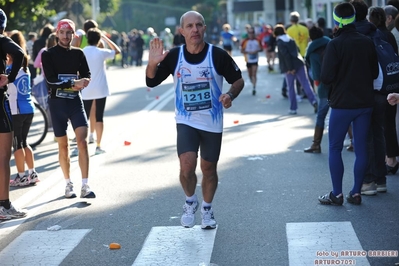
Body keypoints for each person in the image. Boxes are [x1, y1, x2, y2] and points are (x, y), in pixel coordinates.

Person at [146, 11, 244, 229]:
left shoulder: (217, 55)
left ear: (205, 28)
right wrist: (152, 63)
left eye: (199, 25)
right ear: (182, 31)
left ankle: (207, 209)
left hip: (212, 122)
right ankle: (190, 201)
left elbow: (238, 81)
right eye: (189, 26)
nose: (195, 30)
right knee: (186, 167)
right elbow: (151, 81)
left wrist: (230, 95)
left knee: (209, 169)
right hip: (186, 120)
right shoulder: (174, 56)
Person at [318, 2, 378, 205]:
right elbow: (375, 73)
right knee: (361, 148)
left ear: (337, 20)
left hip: (342, 104)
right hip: (365, 102)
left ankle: (337, 193)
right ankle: (356, 192)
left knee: (335, 147)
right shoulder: (366, 41)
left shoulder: (334, 44)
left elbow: (326, 77)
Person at [41, 19, 95, 199]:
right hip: (57, 105)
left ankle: (85, 185)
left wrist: (85, 81)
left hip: (74, 102)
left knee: (82, 141)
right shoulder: (48, 54)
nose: (65, 36)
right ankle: (68, 184)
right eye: (62, 33)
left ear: (74, 35)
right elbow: (50, 81)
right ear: (57, 34)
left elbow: (87, 74)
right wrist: (73, 83)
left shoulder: (79, 53)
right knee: (63, 146)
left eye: (69, 33)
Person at [0, 8, 27, 220]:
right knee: (2, 158)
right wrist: (9, 78)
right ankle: (4, 206)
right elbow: (19, 53)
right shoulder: (1, 39)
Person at [82, 28, 121, 155]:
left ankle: (80, 146)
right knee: (99, 117)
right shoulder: (101, 52)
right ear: (99, 40)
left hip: (86, 89)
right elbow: (117, 51)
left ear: (87, 39)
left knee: (83, 119)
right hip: (100, 89)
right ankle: (98, 145)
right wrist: (106, 38)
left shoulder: (82, 52)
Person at [7, 30, 39, 187]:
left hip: (17, 110)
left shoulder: (10, 69)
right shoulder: (25, 66)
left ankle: (21, 176)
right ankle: (31, 173)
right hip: (29, 108)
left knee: (17, 144)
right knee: (25, 142)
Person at [274, 24, 318, 115]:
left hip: (289, 67)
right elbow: (297, 50)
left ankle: (293, 108)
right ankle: (314, 102)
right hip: (299, 63)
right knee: (306, 84)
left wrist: (290, 68)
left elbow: (285, 55)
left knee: (291, 87)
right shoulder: (290, 39)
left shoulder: (280, 42)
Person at [303, 26, 331, 153]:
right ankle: (353, 141)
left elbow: (316, 76)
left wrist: (317, 86)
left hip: (325, 87)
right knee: (341, 112)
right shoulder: (331, 44)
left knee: (321, 115)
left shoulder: (313, 52)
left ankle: (316, 144)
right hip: (339, 85)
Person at [241, 28, 262, 96]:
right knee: (250, 74)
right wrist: (248, 52)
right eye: (249, 32)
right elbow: (242, 50)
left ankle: (254, 87)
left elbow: (261, 48)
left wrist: (256, 51)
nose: (251, 34)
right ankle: (252, 81)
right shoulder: (245, 41)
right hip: (248, 60)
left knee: (254, 73)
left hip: (255, 60)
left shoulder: (257, 40)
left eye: (252, 32)